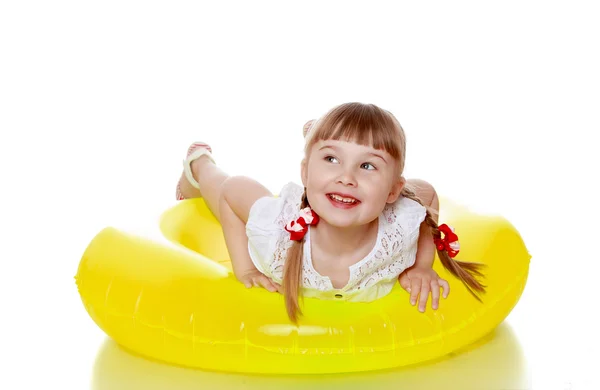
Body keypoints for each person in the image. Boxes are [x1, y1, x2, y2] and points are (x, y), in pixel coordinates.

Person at [175, 102, 486, 323]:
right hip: (291, 215)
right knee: (220, 185)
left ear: (393, 191)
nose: (347, 178)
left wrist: (421, 265)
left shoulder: (399, 223)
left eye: (367, 165)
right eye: (332, 159)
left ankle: (320, 140)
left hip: (346, 186)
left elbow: (426, 192)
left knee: (343, 162)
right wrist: (246, 270)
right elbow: (232, 192)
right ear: (305, 173)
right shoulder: (277, 234)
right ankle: (200, 164)